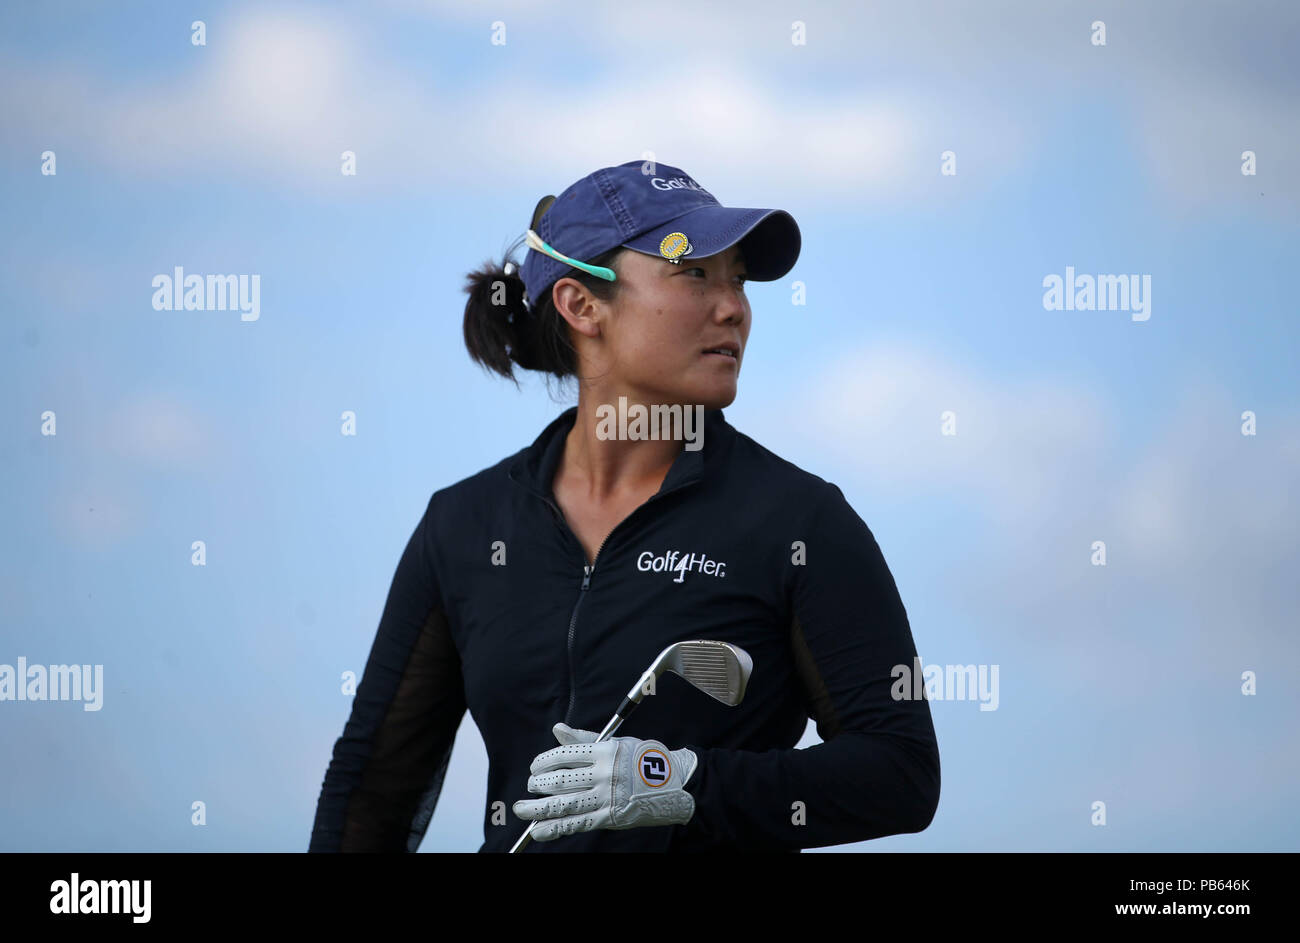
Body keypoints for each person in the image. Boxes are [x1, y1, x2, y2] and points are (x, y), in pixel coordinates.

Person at [308, 159, 940, 853]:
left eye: (736, 278)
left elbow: (901, 770)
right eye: (694, 272)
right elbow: (373, 791)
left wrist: (683, 783)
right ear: (582, 306)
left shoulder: (801, 522)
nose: (732, 306)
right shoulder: (463, 525)